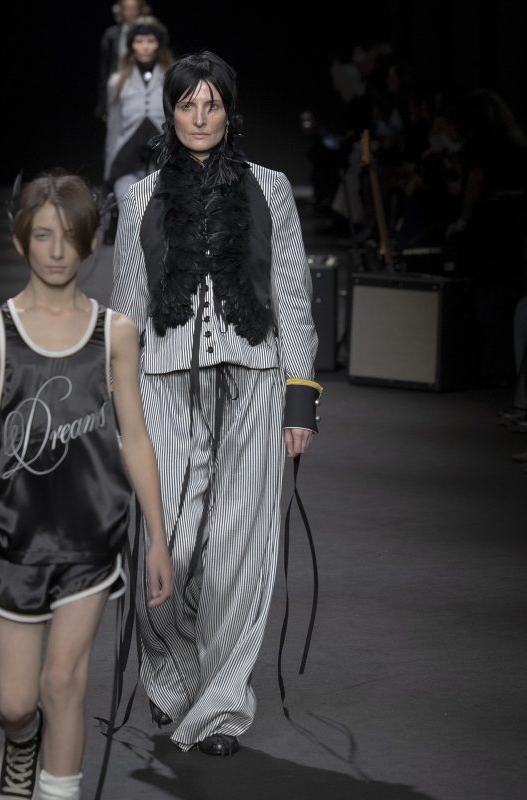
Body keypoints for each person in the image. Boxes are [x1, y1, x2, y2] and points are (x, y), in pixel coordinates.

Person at [110, 50, 321, 757]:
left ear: (230, 113)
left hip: (256, 384)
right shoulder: (139, 198)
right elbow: (126, 313)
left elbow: (292, 295)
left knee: (236, 554)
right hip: (162, 386)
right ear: (169, 113)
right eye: (186, 104)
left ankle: (222, 708)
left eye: (213, 104)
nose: (200, 117)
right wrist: (118, 403)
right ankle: (174, 680)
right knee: (161, 551)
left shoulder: (271, 188)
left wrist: (301, 401)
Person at [0, 171, 173, 800]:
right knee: (16, 704)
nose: (54, 250)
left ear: (91, 243)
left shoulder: (115, 333)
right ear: (19, 242)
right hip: (13, 540)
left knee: (63, 683)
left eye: (68, 237)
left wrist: (155, 537)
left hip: (90, 540)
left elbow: (135, 438)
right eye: (41, 235)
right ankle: (22, 745)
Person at [104, 16, 172, 206]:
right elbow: (114, 128)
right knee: (130, 207)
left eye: (150, 41)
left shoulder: (172, 78)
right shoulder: (117, 82)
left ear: (158, 44)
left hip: (164, 156)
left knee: (162, 212)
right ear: (131, 45)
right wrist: (109, 171)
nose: (145, 46)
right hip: (127, 158)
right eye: (139, 41)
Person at [95, 0, 151, 123]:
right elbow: (105, 71)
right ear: (120, 10)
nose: (130, 12)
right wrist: (103, 105)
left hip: (144, 90)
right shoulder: (111, 36)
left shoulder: (151, 34)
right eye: (127, 8)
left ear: (140, 9)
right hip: (118, 90)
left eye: (134, 8)